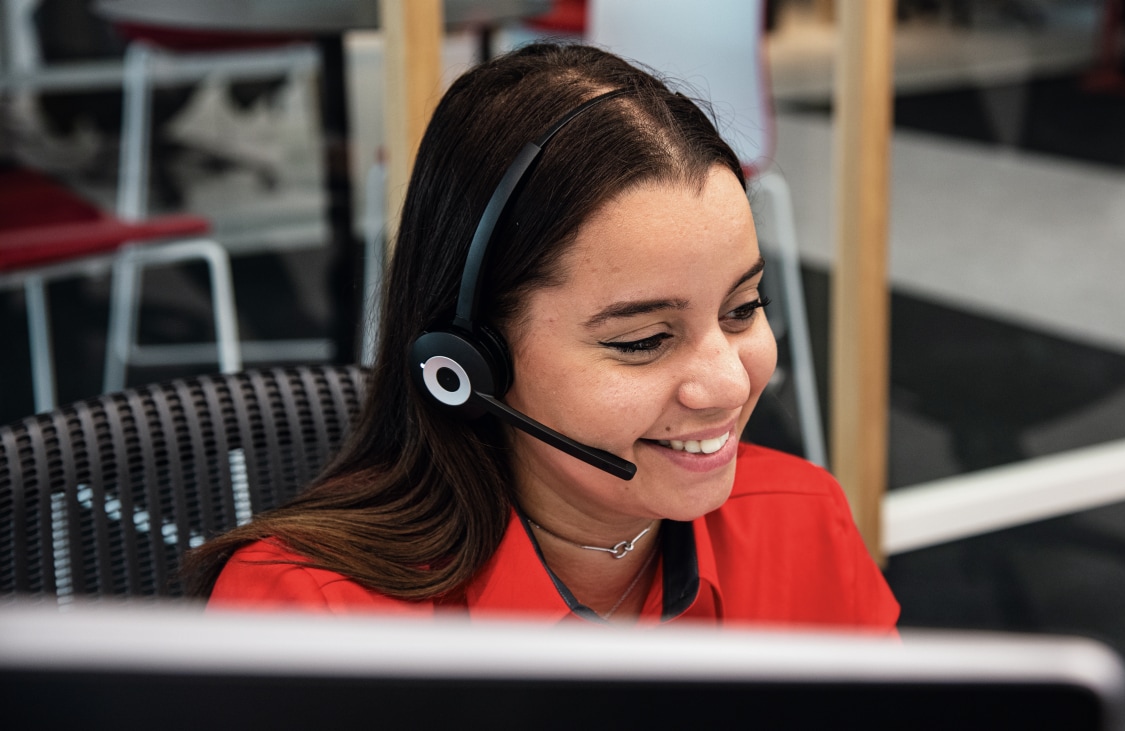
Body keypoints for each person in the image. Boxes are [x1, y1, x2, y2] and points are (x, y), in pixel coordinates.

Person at [185, 42, 898, 630]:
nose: (730, 383)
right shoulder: (309, 618)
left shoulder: (804, 522)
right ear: (467, 362)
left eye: (742, 308)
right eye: (645, 339)